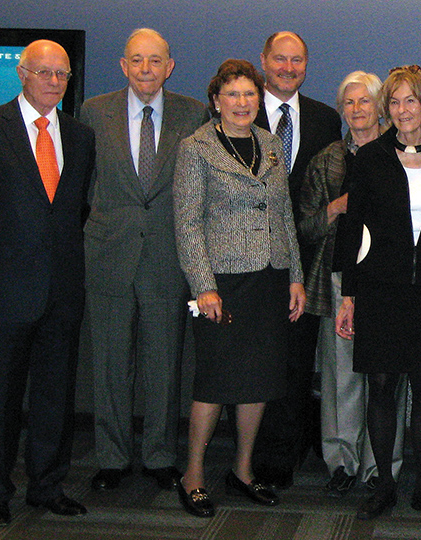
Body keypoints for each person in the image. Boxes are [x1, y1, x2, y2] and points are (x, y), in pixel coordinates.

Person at [0, 39, 94, 528]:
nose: (54, 82)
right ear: (22, 73)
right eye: (45, 72)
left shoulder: (80, 136)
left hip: (61, 292)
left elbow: (75, 212)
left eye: (62, 75)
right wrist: (6, 255)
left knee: (55, 396)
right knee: (0, 399)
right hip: (0, 293)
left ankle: (46, 486)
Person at [334, 65, 421, 524]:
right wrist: (348, 295)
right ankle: (385, 487)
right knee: (381, 386)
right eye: (393, 102)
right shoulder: (370, 157)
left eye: (410, 100)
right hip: (381, 291)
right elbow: (352, 230)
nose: (402, 109)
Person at [172, 58, 306, 518]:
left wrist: (295, 276)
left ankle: (242, 471)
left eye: (250, 94)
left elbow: (283, 215)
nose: (242, 102)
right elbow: (187, 224)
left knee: (258, 381)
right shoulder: (196, 148)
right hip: (222, 284)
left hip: (269, 278)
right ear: (216, 101)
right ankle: (193, 475)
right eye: (233, 94)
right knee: (213, 380)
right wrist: (203, 286)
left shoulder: (269, 145)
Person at [80, 28, 208, 494]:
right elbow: (84, 181)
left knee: (164, 362)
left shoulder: (193, 113)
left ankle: (159, 456)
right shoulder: (94, 111)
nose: (146, 69)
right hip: (110, 254)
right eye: (137, 60)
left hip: (166, 257)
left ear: (169, 66)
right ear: (123, 65)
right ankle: (111, 458)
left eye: (156, 61)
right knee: (110, 364)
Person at [301, 71, 407, 498]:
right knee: (341, 377)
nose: (358, 110)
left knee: (387, 377)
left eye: (366, 102)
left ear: (380, 106)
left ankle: (382, 464)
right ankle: (341, 461)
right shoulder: (326, 159)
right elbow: (304, 227)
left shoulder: (402, 152)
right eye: (349, 103)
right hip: (338, 278)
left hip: (390, 280)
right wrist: (337, 208)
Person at [252, 31, 343, 491]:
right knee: (253, 359)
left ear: (307, 65)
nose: (288, 68)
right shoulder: (236, 111)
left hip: (306, 264)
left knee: (295, 359)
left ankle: (281, 458)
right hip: (247, 260)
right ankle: (250, 454)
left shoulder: (327, 119)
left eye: (297, 60)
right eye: (280, 59)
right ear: (263, 60)